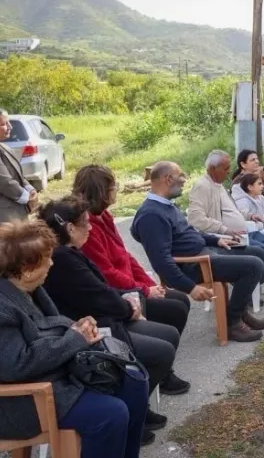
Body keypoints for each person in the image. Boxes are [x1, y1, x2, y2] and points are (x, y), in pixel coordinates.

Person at [0, 220, 149, 455]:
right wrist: (74, 338)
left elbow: (49, 328)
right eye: (46, 258)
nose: (51, 262)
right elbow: (15, 365)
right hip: (26, 399)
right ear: (26, 267)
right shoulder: (3, 306)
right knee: (110, 414)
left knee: (134, 380)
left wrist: (76, 327)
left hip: (56, 376)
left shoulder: (30, 288)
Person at [38, 197, 180, 443]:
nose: (90, 227)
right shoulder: (62, 260)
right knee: (161, 351)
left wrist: (128, 299)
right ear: (70, 228)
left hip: (101, 319)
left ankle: (137, 407)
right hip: (89, 330)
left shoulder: (69, 253)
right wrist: (127, 307)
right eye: (86, 224)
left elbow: (99, 288)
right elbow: (96, 296)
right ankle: (130, 411)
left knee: (168, 333)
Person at [72, 164, 192, 396]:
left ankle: (162, 370)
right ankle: (152, 373)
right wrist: (143, 290)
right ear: (101, 191)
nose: (116, 190)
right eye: (113, 186)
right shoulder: (88, 227)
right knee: (173, 308)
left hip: (128, 286)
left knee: (179, 301)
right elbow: (106, 273)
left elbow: (124, 255)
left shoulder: (104, 216)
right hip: (115, 294)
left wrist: (146, 283)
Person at [131, 161, 264, 343]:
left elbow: (190, 234)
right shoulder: (151, 215)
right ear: (168, 178)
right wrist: (190, 287)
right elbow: (161, 261)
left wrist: (216, 239)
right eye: (181, 175)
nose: (184, 179)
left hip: (205, 252)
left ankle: (240, 310)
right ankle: (232, 322)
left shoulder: (167, 205)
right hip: (194, 265)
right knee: (253, 266)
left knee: (258, 252)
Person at [188, 150, 264, 286]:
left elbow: (232, 210)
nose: (229, 172)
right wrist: (224, 230)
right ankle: (248, 285)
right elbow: (196, 219)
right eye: (226, 169)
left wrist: (250, 215)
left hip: (243, 232)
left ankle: (249, 284)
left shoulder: (218, 184)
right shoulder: (203, 186)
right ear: (212, 169)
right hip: (225, 239)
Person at [0, 109, 38, 223]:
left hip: (16, 213)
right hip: (6, 217)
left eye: (9, 122)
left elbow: (18, 176)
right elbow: (5, 182)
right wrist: (28, 198)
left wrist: (31, 189)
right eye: (4, 124)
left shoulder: (5, 147)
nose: (10, 127)